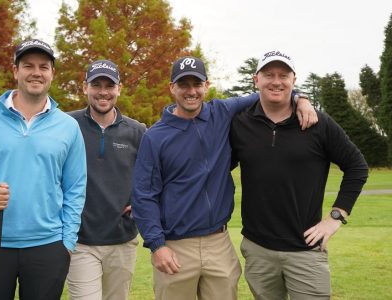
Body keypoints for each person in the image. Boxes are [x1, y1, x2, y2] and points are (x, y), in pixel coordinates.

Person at [131, 56, 317, 300]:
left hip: (219, 243)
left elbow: (269, 90)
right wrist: (157, 246)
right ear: (172, 87)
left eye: (197, 84)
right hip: (175, 246)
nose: (191, 91)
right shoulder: (155, 137)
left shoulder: (221, 112)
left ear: (206, 85)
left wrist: (301, 98)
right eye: (183, 84)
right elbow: (144, 195)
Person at [0, 39, 87, 300]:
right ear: (15, 71)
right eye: (28, 65)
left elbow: (75, 187)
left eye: (43, 67)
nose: (36, 72)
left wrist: (66, 243)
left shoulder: (68, 126)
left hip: (48, 247)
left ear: (52, 74)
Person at [230, 50, 369, 299]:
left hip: (305, 250)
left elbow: (357, 166)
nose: (276, 81)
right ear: (256, 80)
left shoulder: (318, 123)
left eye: (284, 75)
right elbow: (211, 166)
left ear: (294, 80)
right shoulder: (240, 123)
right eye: (269, 74)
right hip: (257, 250)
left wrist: (336, 216)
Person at [66, 60, 146, 300]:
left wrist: (142, 202)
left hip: (122, 239)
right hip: (80, 241)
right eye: (96, 84)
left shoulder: (137, 131)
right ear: (84, 87)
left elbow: (153, 177)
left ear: (119, 89)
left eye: (109, 85)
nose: (103, 92)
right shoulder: (67, 126)